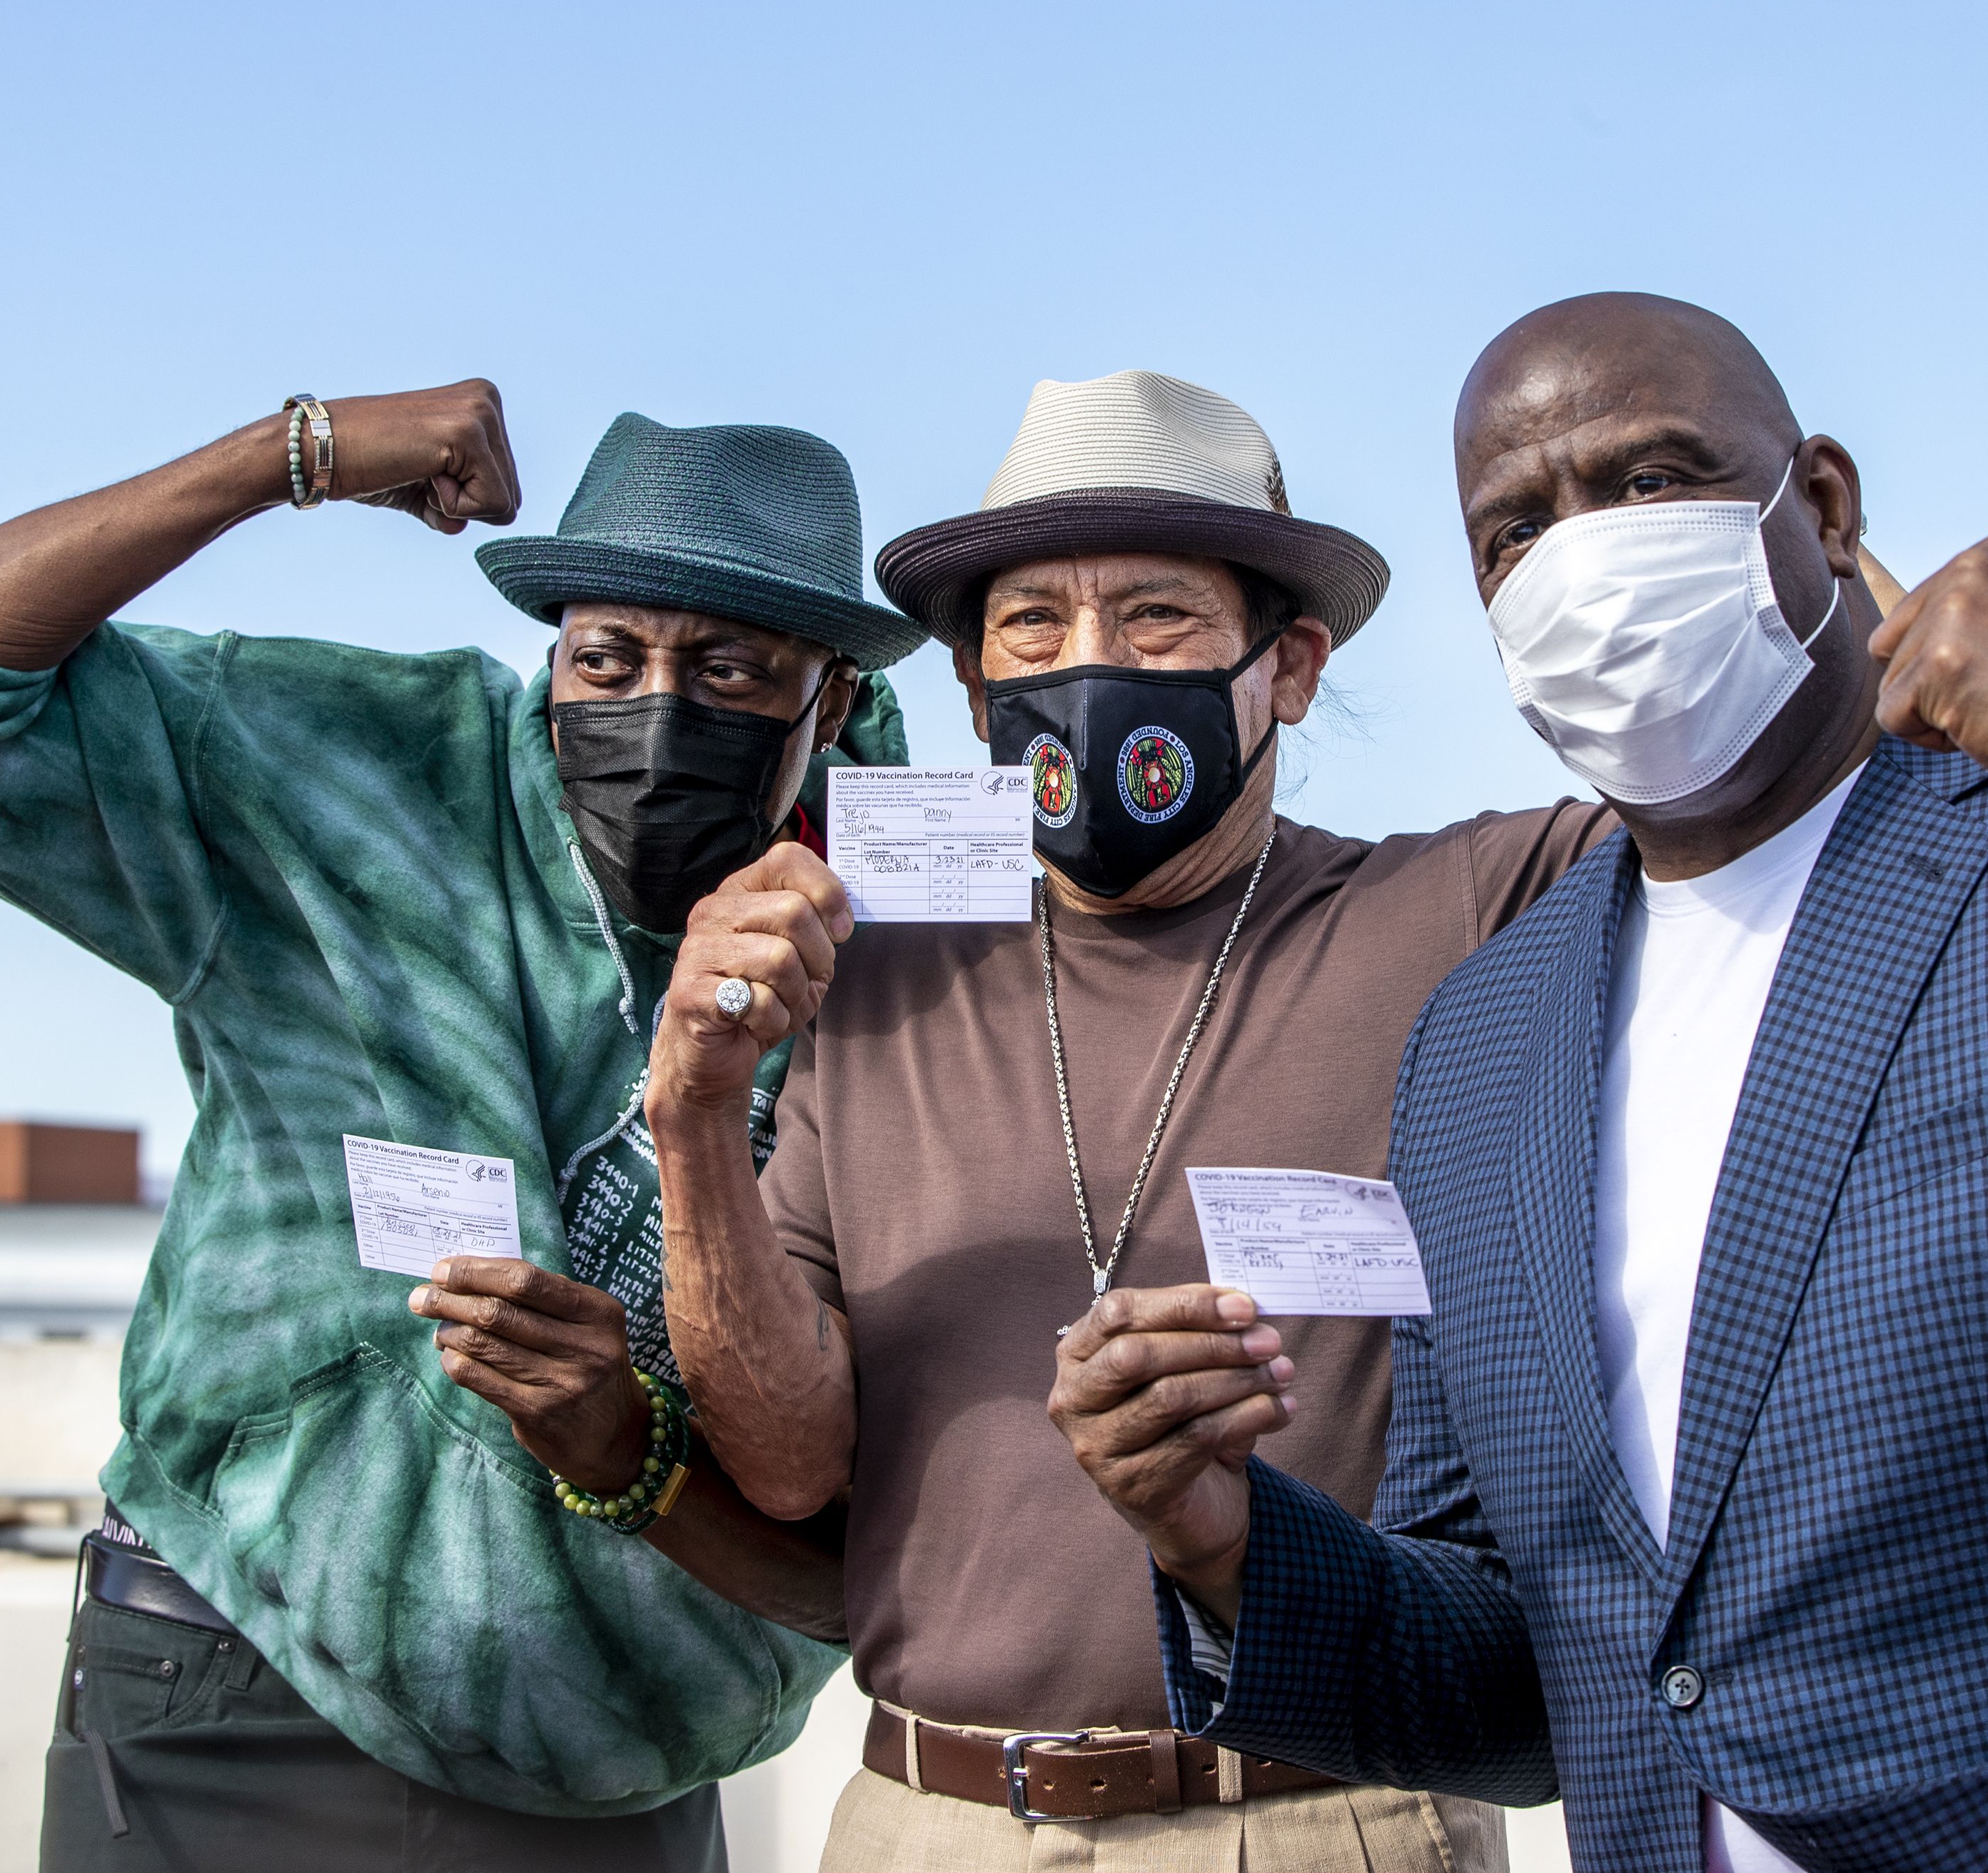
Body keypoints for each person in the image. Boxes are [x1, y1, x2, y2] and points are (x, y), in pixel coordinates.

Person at [1047, 295, 1988, 1873]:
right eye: (1516, 530)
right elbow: (1553, 1668)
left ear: (1828, 506)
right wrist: (1225, 1538)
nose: (1583, 557)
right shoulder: (1482, 1043)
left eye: (1650, 482)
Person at [0, 385, 929, 1871]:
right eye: (606, 656)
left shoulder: (906, 919)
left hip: (633, 1762)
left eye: (732, 667)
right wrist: (289, 456)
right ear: (552, 653)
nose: (657, 707)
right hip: (241, 1690)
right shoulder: (360, 776)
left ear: (829, 700)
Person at [463, 368, 1604, 1869]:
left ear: (1295, 663)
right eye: (1031, 626)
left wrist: (1711, 529)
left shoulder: (1463, 904)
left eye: (1159, 618)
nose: (1088, 663)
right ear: (975, 689)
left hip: (1320, 1817)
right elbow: (796, 1465)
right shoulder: (875, 964)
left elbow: (1810, 779)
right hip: (933, 1817)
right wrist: (693, 1110)